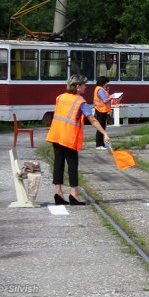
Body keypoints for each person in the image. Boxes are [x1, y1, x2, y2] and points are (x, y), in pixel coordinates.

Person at [46, 74, 111, 205]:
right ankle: (74, 195)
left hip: (56, 135)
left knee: (58, 164)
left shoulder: (60, 97)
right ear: (77, 86)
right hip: (69, 137)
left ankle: (58, 193)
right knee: (72, 166)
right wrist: (104, 133)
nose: (86, 87)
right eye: (84, 85)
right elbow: (92, 119)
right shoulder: (80, 102)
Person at [93, 76, 112, 150]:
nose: (107, 84)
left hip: (100, 110)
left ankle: (101, 144)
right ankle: (99, 145)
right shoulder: (100, 90)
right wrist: (112, 97)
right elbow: (105, 100)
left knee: (102, 127)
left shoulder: (98, 89)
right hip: (101, 110)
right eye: (106, 83)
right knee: (101, 127)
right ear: (103, 83)